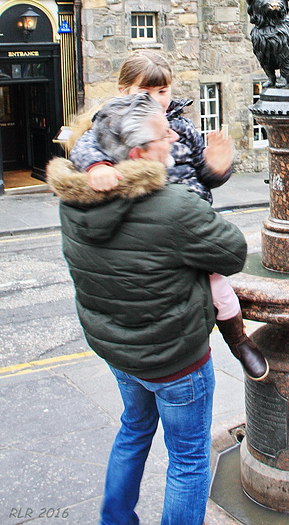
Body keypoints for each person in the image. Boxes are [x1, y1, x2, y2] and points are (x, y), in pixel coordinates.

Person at [47, 93, 248, 525]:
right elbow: (233, 253)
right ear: (138, 153)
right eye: (164, 133)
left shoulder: (72, 202)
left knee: (134, 431)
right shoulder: (173, 205)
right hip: (175, 361)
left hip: (120, 352)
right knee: (189, 461)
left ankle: (114, 519)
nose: (173, 134)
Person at [68, 50, 268, 381]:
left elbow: (202, 173)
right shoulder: (113, 124)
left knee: (219, 286)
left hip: (192, 221)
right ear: (124, 92)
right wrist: (98, 167)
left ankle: (239, 341)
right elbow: (84, 147)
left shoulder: (181, 127)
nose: (158, 100)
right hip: (152, 228)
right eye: (146, 93)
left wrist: (217, 168)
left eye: (163, 91)